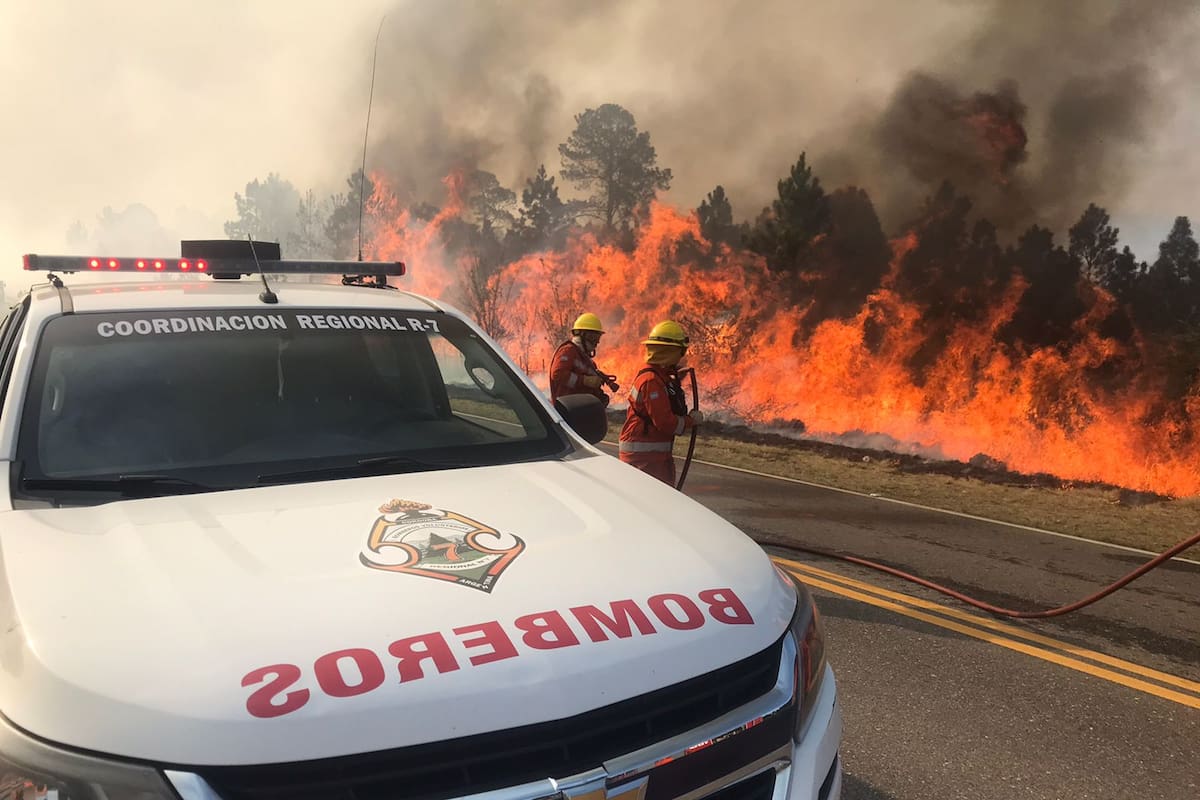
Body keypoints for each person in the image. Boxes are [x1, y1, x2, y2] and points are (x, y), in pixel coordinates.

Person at [619, 320, 703, 486]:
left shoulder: (660, 377)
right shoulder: (652, 381)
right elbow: (666, 422)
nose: (682, 356)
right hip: (644, 460)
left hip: (654, 457)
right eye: (681, 351)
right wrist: (691, 421)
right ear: (670, 352)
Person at [549, 312, 618, 405]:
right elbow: (557, 374)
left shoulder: (587, 361)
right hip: (567, 409)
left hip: (582, 409)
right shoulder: (568, 351)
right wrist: (585, 380)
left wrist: (599, 395)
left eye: (597, 338)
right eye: (592, 337)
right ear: (581, 335)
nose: (596, 342)